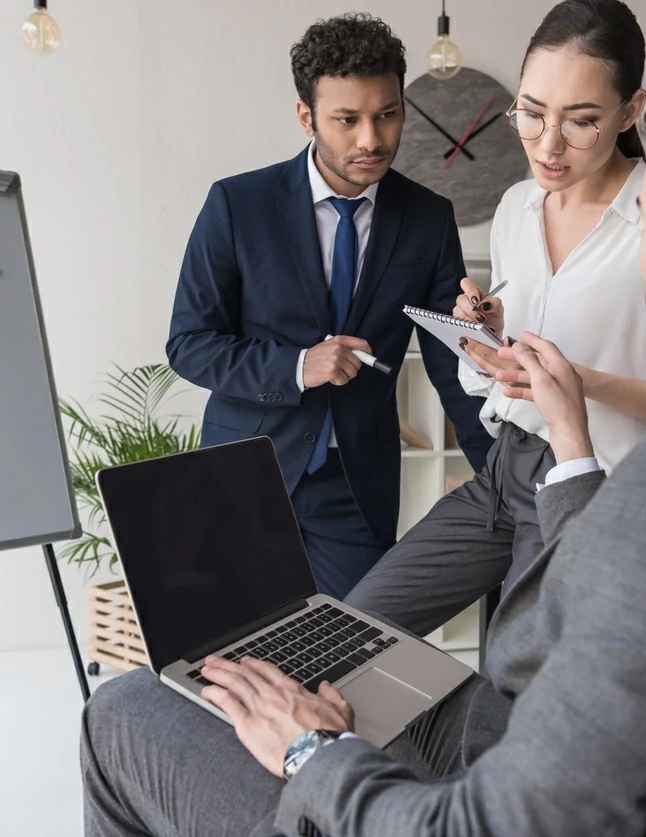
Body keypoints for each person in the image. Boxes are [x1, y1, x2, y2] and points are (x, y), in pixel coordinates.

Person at [81, 37, 646, 837]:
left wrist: (313, 753)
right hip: (531, 720)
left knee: (120, 714)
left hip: (507, 783)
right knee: (355, 658)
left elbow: (492, 824)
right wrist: (568, 440)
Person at [347, 0, 646, 637]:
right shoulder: (516, 205)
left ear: (631, 109)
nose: (548, 144)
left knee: (517, 682)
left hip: (595, 493)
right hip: (502, 472)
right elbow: (495, 382)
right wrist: (485, 341)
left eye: (581, 122)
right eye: (531, 115)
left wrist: (575, 382)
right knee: (357, 630)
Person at [166, 13, 491, 600]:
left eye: (387, 114)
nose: (371, 138)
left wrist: (504, 478)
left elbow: (451, 363)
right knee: (236, 661)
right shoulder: (237, 205)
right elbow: (189, 344)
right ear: (305, 116)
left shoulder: (428, 218)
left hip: (355, 486)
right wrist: (298, 366)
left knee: (360, 659)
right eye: (347, 119)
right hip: (246, 473)